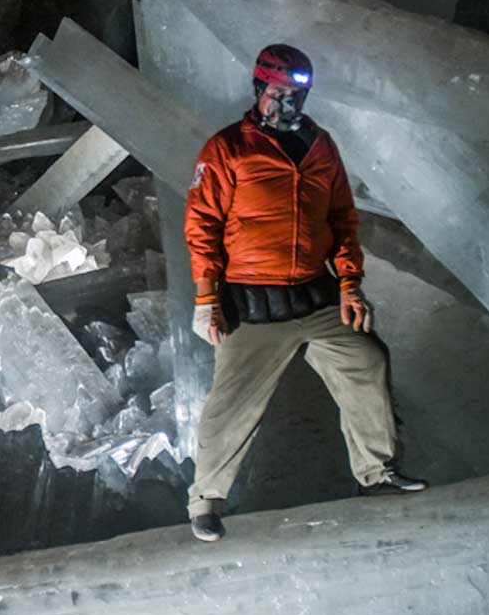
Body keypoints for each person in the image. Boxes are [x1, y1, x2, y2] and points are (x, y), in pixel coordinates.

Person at [183, 44, 427, 543]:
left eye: (296, 94)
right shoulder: (228, 148)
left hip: (314, 298)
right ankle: (205, 500)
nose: (287, 103)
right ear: (258, 90)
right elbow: (202, 224)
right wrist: (207, 297)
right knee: (232, 404)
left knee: (366, 360)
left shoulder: (321, 147)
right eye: (278, 93)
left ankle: (377, 474)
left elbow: (341, 219)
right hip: (251, 306)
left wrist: (350, 284)